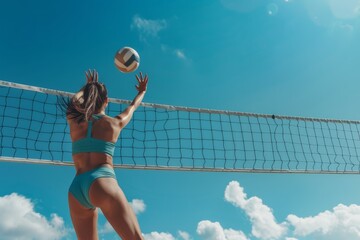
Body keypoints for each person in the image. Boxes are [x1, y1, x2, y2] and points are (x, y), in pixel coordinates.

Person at [64, 69, 148, 240]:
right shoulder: (114, 123)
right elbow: (132, 107)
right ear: (107, 101)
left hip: (76, 189)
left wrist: (88, 86)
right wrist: (142, 92)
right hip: (102, 181)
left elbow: (74, 101)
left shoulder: (74, 121)